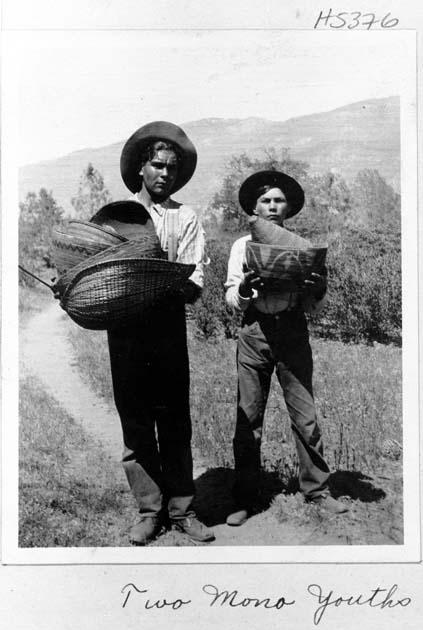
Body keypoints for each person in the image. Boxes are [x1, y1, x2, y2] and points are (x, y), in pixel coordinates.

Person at [107, 121, 214, 545]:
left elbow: (193, 281)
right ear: (140, 169)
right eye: (156, 165)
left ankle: (182, 509)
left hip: (167, 330)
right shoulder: (115, 217)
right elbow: (100, 271)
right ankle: (150, 511)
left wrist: (161, 277)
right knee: (135, 421)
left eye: (171, 167)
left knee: (174, 421)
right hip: (126, 331)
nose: (164, 174)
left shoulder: (185, 218)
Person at [224, 170, 349, 526]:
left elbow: (313, 307)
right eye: (266, 201)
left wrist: (318, 289)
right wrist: (246, 287)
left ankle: (318, 490)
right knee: (248, 417)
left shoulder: (301, 246)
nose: (273, 206)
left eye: (279, 200)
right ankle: (246, 497)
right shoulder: (240, 246)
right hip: (255, 332)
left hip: (293, 331)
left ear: (288, 207)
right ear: (254, 207)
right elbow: (232, 297)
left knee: (305, 415)